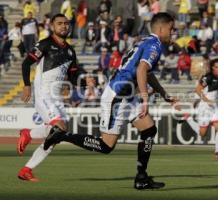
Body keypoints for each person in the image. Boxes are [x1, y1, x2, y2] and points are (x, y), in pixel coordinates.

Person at [43, 12, 180, 190]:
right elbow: (141, 70)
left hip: (126, 95)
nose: (173, 32)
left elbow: (145, 71)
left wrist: (163, 93)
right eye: (171, 29)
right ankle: (60, 135)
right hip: (118, 96)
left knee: (149, 129)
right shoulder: (155, 45)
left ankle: (141, 177)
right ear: (161, 28)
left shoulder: (145, 41)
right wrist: (146, 99)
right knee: (106, 146)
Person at [17, 14, 85, 182]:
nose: (64, 26)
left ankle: (27, 166)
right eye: (60, 23)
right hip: (43, 93)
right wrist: (27, 86)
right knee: (59, 129)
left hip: (57, 98)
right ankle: (28, 143)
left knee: (55, 136)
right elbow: (26, 63)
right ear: (53, 26)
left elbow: (73, 78)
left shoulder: (70, 51)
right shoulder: (45, 44)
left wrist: (85, 81)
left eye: (66, 24)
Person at [182, 59, 218, 159]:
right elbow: (198, 89)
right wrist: (206, 99)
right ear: (212, 67)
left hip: (214, 106)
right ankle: (189, 119)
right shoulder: (207, 77)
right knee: (202, 134)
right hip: (204, 106)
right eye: (217, 67)